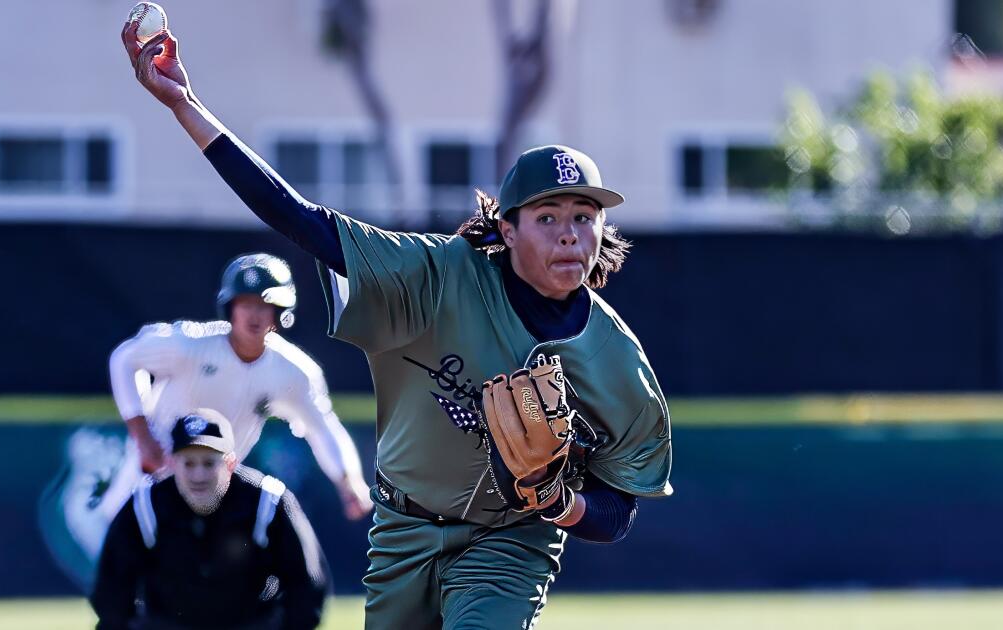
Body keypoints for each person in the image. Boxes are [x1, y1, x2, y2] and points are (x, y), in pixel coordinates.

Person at [121, 17, 672, 630]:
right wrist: (185, 106)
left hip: (508, 542)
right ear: (507, 228)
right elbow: (301, 219)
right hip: (404, 529)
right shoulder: (439, 274)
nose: (571, 232)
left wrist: (561, 502)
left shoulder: (616, 360)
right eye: (548, 216)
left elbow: (617, 511)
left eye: (585, 215)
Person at [57, 253, 370, 588]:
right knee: (126, 564)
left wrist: (348, 480)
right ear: (229, 307)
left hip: (214, 484)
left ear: (281, 312)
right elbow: (125, 359)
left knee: (208, 583)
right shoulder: (192, 344)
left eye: (265, 304)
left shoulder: (292, 371)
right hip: (153, 473)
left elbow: (323, 428)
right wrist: (142, 435)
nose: (254, 313)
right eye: (245, 303)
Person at [92, 409, 329, 630]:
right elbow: (112, 592)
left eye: (209, 463)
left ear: (230, 463)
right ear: (173, 463)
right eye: (189, 463)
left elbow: (307, 586)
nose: (199, 475)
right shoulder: (146, 505)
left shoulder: (268, 501)